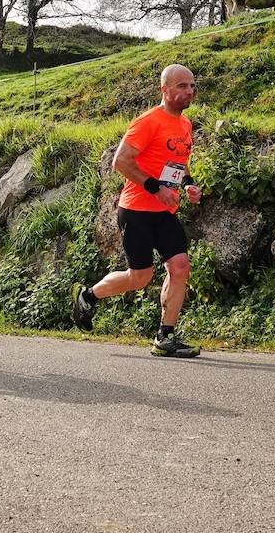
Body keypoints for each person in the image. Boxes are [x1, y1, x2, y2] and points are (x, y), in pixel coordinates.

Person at [71, 64, 204, 358]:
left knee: (180, 266)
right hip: (136, 210)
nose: (189, 91)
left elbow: (179, 164)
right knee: (140, 277)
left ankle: (164, 337)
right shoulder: (148, 122)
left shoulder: (185, 125)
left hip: (164, 212)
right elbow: (121, 161)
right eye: (182, 86)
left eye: (192, 86)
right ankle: (88, 295)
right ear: (164, 90)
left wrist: (189, 186)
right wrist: (156, 188)